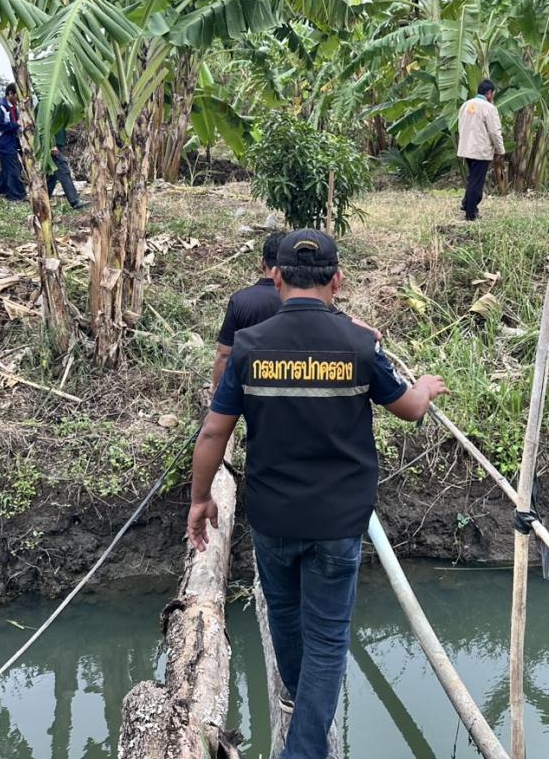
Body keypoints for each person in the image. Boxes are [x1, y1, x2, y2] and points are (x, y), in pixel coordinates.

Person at [187, 230, 448, 759]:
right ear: (337, 279)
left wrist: (199, 500)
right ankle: (305, 748)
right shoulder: (359, 345)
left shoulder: (249, 347)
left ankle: (303, 724)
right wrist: (425, 384)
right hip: (337, 521)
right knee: (327, 641)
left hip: (274, 517)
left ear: (276, 278)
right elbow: (410, 408)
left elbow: (214, 431)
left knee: (286, 621)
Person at [212, 231, 285, 390]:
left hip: (250, 391)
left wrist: (216, 391)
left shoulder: (241, 300)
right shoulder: (304, 301)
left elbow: (224, 355)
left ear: (262, 263)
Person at [457, 79, 505, 221]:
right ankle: (470, 213)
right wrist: (500, 150)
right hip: (480, 150)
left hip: (466, 149)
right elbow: (495, 132)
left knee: (473, 178)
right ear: (489, 93)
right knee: (477, 182)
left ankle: (467, 204)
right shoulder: (489, 108)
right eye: (493, 94)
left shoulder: (466, 105)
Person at [0, 83, 26, 202]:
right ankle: (16, 196)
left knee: (7, 169)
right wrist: (16, 125)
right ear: (10, 94)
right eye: (16, 96)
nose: (18, 99)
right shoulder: (1, 107)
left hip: (11, 142)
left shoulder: (13, 107)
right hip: (3, 143)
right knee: (13, 168)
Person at [46, 128, 83, 209]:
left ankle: (43, 201)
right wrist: (51, 144)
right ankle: (75, 201)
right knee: (64, 171)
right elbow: (45, 126)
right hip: (52, 146)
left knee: (52, 176)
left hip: (56, 145)